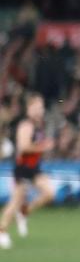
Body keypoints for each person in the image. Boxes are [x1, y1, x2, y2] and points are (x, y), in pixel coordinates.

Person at [0, 93, 56, 249]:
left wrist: (43, 146)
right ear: (28, 109)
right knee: (15, 201)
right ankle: (2, 230)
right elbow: (23, 147)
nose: (39, 110)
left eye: (41, 107)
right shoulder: (26, 125)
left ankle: (24, 211)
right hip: (23, 169)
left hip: (34, 168)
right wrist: (44, 146)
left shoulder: (40, 125)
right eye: (36, 107)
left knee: (49, 193)